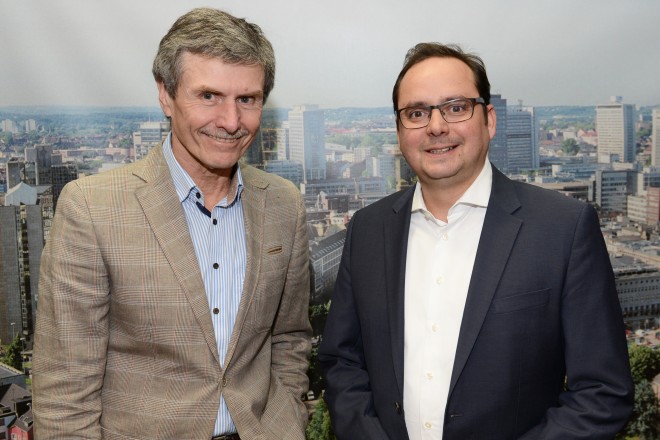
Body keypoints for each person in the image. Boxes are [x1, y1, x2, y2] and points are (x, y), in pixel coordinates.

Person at [318, 42, 633, 439]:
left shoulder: (563, 229)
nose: (435, 127)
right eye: (416, 113)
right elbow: (342, 362)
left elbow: (604, 394)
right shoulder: (367, 228)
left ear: (490, 120)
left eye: (455, 107)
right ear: (399, 130)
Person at [32, 8, 311, 439]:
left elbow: (290, 338)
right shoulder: (91, 209)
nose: (231, 122)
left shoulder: (283, 205)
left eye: (247, 99)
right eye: (208, 96)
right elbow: (65, 390)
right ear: (165, 95)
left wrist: (288, 417)